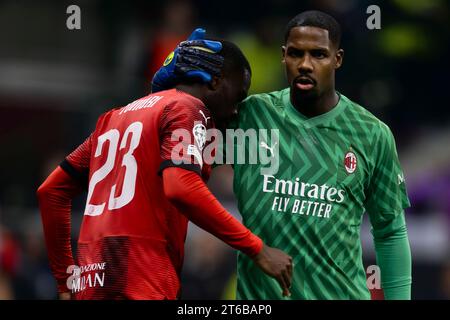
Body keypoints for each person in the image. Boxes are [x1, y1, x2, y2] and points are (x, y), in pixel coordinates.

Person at [152, 10, 412, 299]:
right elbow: (172, 148)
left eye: (319, 55)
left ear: (337, 59)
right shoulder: (249, 116)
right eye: (296, 54)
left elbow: (390, 233)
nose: (305, 64)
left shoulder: (372, 134)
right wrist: (169, 87)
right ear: (283, 56)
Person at [36, 38, 293, 300]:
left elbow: (51, 191)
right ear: (216, 82)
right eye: (238, 94)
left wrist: (65, 281)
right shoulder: (189, 108)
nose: (236, 109)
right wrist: (257, 248)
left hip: (92, 279)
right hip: (143, 277)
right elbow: (181, 186)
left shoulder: (113, 118)